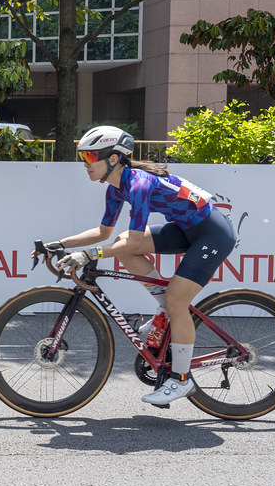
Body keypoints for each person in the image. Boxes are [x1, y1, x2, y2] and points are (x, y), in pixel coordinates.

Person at [45, 125, 236, 405]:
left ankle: (180, 380)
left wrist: (88, 256)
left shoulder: (138, 184)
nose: (85, 164)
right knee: (122, 244)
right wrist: (58, 244)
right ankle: (165, 311)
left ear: (112, 159)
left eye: (90, 157)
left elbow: (134, 242)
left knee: (176, 299)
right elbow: (104, 234)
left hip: (212, 233)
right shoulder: (115, 188)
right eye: (82, 157)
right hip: (185, 227)